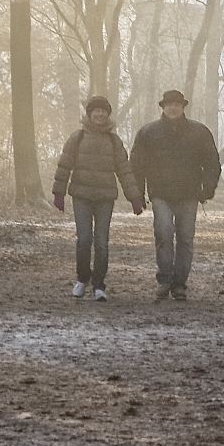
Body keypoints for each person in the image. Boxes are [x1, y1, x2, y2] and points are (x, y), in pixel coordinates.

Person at [130, 88, 221, 302]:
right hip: (160, 193)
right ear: (162, 107)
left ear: (183, 107)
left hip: (189, 194)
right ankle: (164, 279)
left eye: (177, 104)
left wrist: (207, 189)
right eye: (169, 104)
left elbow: (211, 163)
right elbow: (136, 165)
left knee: (185, 238)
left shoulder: (199, 132)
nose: (173, 108)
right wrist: (138, 193)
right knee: (163, 232)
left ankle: (179, 283)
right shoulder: (148, 132)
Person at [52, 95, 142, 301]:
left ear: (107, 115)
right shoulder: (77, 138)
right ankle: (82, 280)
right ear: (89, 114)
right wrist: (59, 192)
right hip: (81, 196)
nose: (100, 114)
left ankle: (99, 285)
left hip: (104, 197)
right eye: (96, 111)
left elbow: (124, 170)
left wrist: (134, 197)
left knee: (102, 242)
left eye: (103, 111)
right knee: (84, 240)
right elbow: (64, 165)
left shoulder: (114, 141)